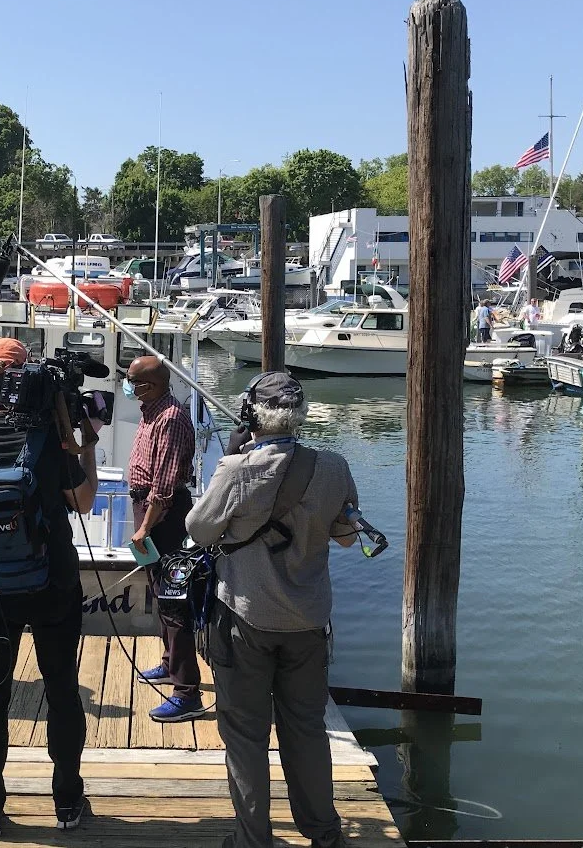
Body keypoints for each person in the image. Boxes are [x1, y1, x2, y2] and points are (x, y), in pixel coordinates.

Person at [186, 371, 362, 848]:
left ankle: (252, 841)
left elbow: (199, 530)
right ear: (299, 414)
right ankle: (324, 834)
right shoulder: (334, 466)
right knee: (306, 731)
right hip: (308, 622)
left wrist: (230, 457)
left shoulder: (236, 469)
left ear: (251, 414)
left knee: (245, 737)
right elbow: (347, 538)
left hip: (245, 618)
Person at [0, 337, 99, 839]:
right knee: (61, 691)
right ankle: (68, 802)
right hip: (53, 581)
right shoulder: (53, 441)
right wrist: (84, 438)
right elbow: (84, 501)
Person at [124, 355, 202, 723]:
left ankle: (187, 692)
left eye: (132, 380)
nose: (127, 386)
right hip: (147, 511)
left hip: (163, 519)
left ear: (149, 385)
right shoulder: (151, 410)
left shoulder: (170, 419)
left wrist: (144, 528)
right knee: (160, 591)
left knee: (174, 601)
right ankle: (171, 663)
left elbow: (165, 486)